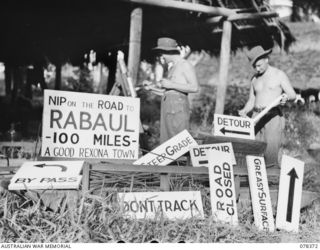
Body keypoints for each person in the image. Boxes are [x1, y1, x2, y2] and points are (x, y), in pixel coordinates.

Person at [238, 46, 296, 167]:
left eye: (259, 65)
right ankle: (254, 183)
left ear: (266, 59)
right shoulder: (254, 79)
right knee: (254, 151)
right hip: (256, 117)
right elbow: (251, 100)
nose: (257, 69)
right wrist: (244, 110)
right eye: (254, 66)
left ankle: (272, 181)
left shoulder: (279, 75)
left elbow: (292, 94)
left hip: (273, 116)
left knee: (271, 153)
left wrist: (285, 98)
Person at [152, 37, 199, 143]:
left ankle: (181, 160)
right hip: (169, 109)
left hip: (177, 110)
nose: (162, 57)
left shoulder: (184, 65)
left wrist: (171, 84)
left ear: (167, 51)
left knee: (177, 143)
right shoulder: (174, 67)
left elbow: (195, 87)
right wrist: (152, 89)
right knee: (168, 144)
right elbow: (171, 92)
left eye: (162, 53)